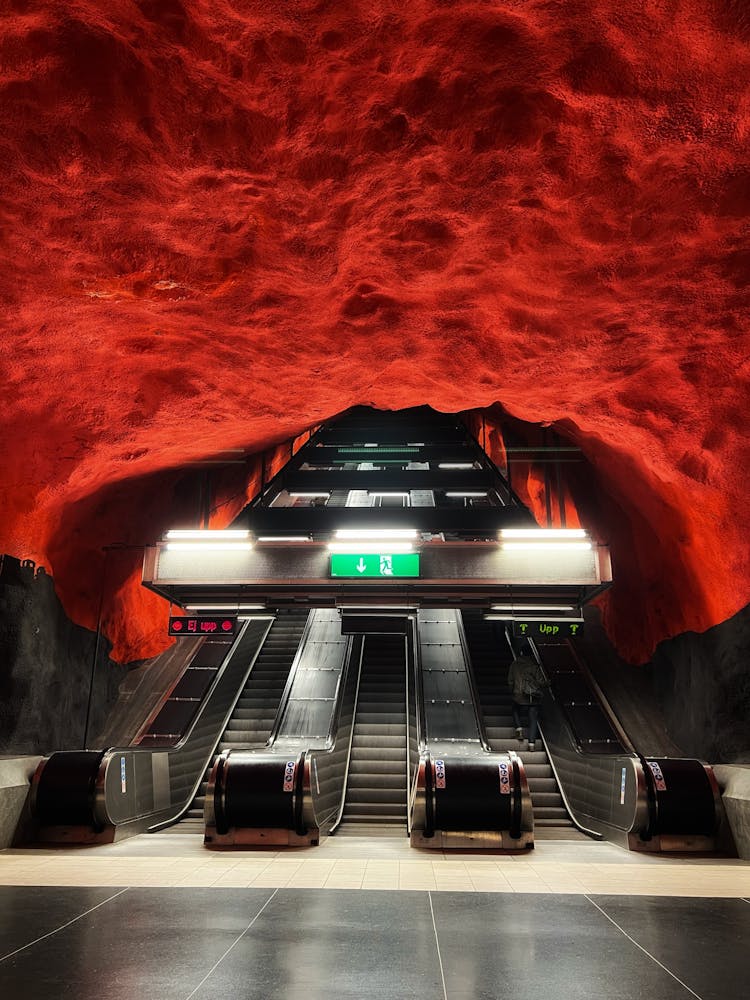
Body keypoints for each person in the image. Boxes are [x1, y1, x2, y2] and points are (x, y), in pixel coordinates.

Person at [507, 642, 549, 751]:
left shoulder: (515, 664)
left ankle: (519, 729)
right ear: (531, 654)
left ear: (521, 653)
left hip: (519, 696)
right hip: (533, 697)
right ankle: (532, 745)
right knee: (533, 719)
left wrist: (512, 692)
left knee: (514, 708)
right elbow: (541, 682)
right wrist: (549, 683)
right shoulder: (534, 666)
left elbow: (510, 681)